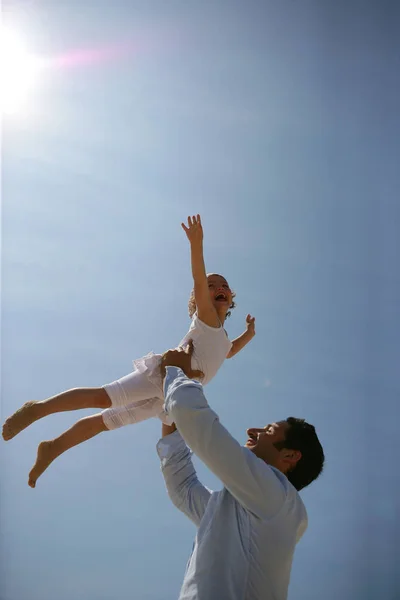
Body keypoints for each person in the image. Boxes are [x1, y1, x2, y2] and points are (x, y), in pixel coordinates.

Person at [2, 215, 256, 487]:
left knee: (104, 422)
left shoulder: (222, 336)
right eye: (211, 285)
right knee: (103, 397)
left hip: (171, 395)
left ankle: (53, 447)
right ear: (199, 299)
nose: (219, 288)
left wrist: (249, 334)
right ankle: (39, 408)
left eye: (224, 285)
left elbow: (228, 351)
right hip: (163, 376)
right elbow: (197, 278)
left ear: (231, 298)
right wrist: (197, 244)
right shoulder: (206, 318)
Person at [157, 344, 325, 600]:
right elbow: (183, 488)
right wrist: (170, 415)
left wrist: (177, 373)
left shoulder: (278, 499)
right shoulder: (243, 508)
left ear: (290, 455)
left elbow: (200, 426)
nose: (251, 431)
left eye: (268, 430)